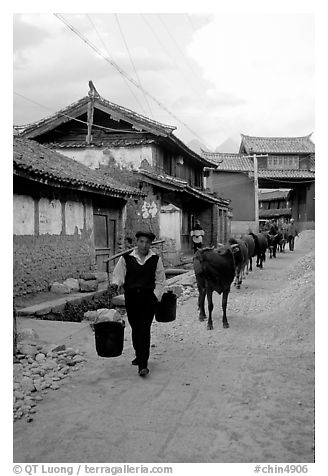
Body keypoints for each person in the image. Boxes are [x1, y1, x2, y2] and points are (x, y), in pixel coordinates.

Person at [111, 231, 165, 377]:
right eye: (141, 241)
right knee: (135, 328)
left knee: (144, 328)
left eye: (147, 242)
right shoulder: (126, 258)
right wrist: (115, 285)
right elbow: (118, 276)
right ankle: (138, 354)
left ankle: (143, 364)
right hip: (132, 298)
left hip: (148, 298)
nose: (144, 245)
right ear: (137, 242)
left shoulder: (155, 259)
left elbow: (160, 281)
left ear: (150, 244)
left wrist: (156, 296)